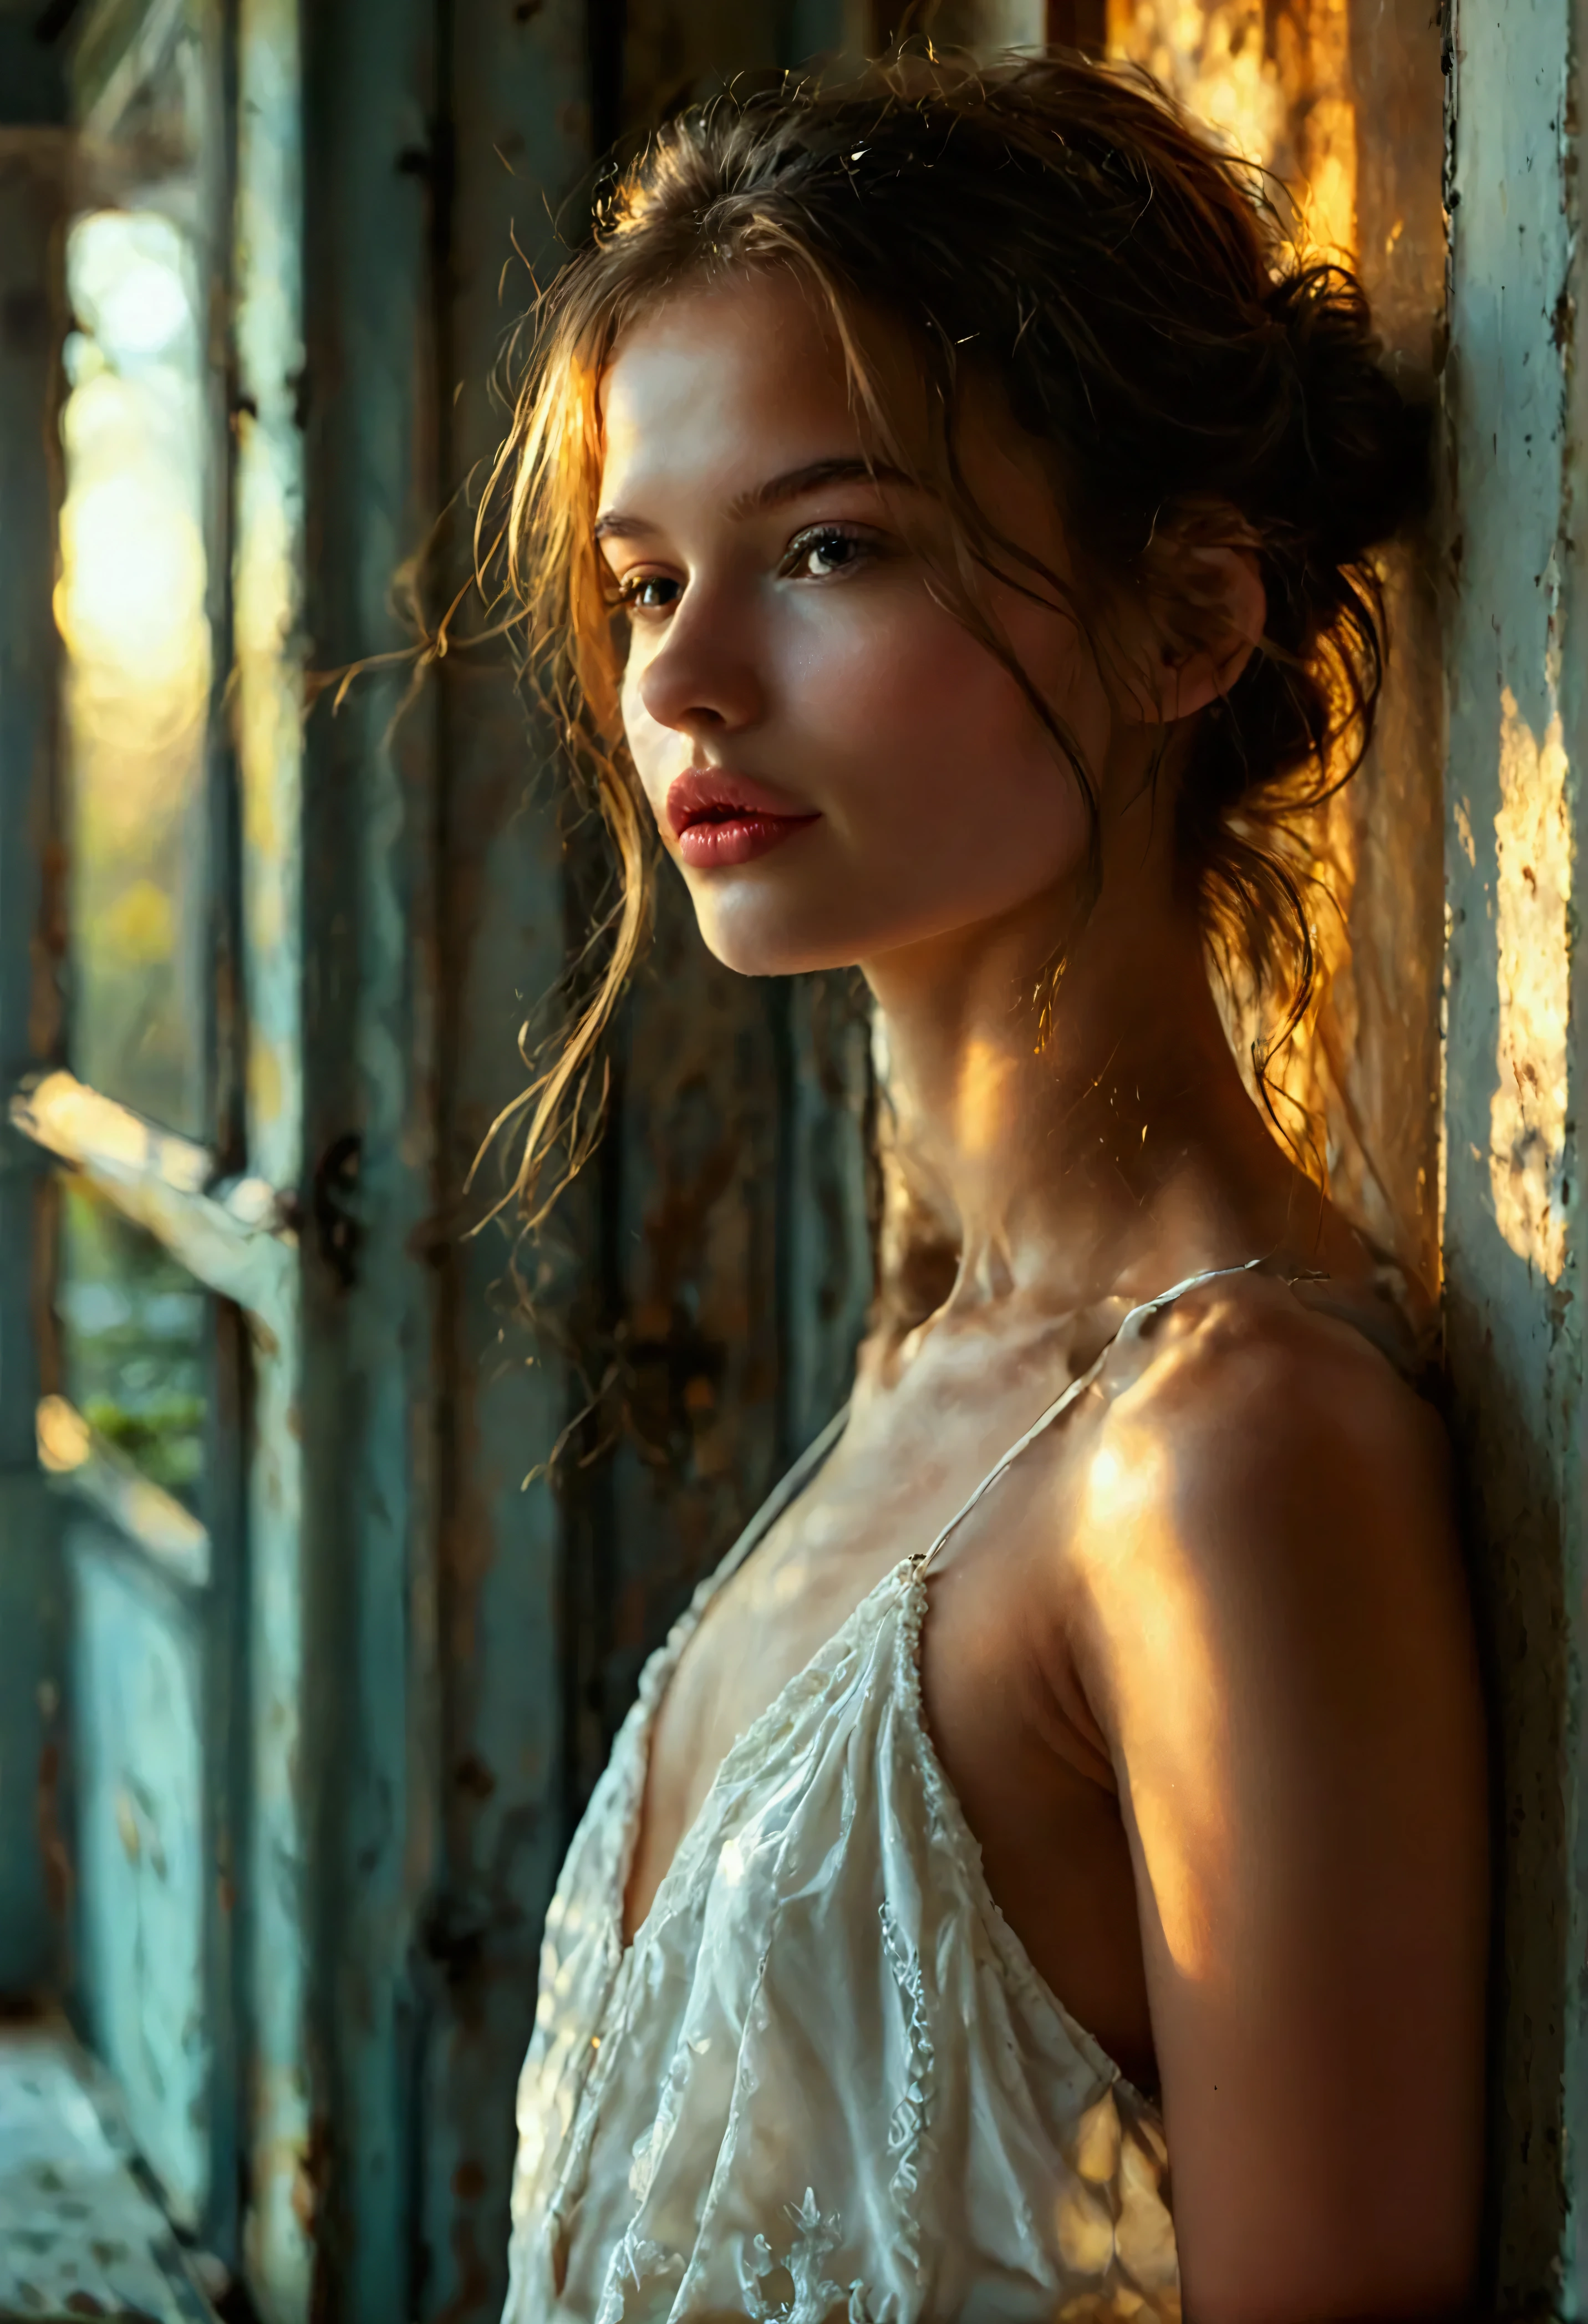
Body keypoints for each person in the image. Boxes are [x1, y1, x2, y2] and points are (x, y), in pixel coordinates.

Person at [492, 49, 1488, 2324]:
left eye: (826, 547)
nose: (685, 679)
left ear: (1182, 626)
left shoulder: (1227, 1454)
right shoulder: (937, 1354)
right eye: (646, 578)